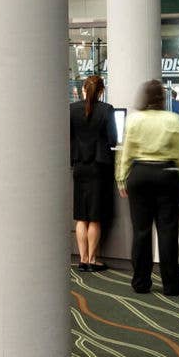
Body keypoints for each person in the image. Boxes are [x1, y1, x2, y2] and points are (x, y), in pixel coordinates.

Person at [117, 79, 179, 297]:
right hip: (167, 176)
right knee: (168, 231)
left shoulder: (134, 120)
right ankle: (172, 285)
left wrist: (121, 179)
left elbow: (126, 152)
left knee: (141, 232)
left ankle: (141, 282)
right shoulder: (173, 119)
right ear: (162, 97)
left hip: (139, 175)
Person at [68, 75, 118, 272]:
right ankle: (92, 259)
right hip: (100, 166)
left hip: (79, 165)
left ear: (82, 90)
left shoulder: (72, 110)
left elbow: (69, 136)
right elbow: (113, 139)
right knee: (95, 216)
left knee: (81, 216)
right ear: (101, 91)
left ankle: (81, 258)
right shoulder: (107, 110)